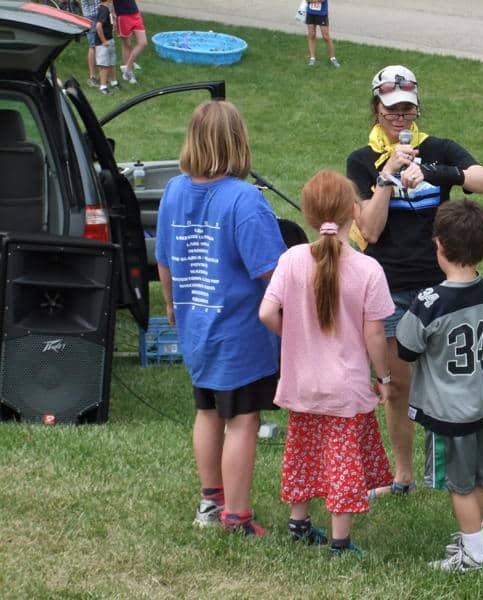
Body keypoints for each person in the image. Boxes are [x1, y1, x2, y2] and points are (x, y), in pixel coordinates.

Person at [346, 64, 483, 495]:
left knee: (452, 382)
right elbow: (371, 231)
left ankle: (458, 474)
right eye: (392, 110)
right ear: (376, 108)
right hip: (391, 286)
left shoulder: (440, 148)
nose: (400, 118)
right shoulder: (361, 161)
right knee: (398, 386)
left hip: (443, 285)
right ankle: (404, 473)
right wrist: (386, 178)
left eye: (408, 110)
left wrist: (436, 173)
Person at [155, 100, 286, 537]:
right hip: (239, 332)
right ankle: (238, 516)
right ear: (238, 143)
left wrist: (172, 306)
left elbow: (165, 260)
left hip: (196, 324)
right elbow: (273, 271)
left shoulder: (174, 190)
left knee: (207, 411)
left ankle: (211, 502)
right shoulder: (244, 199)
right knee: (243, 419)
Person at [259, 170, 394, 555]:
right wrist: (383, 375)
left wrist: (295, 337)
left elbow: (267, 313)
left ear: (307, 214)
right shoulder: (368, 269)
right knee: (343, 462)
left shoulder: (292, 259)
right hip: (345, 386)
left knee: (303, 450)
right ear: (354, 210)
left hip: (301, 381)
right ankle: (340, 540)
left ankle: (298, 523)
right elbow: (373, 335)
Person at [395, 200, 483, 572]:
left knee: (458, 485)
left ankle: (474, 555)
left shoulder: (430, 301)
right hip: (478, 404)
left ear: (438, 245)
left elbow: (406, 349)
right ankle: (474, 532)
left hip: (446, 410)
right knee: (474, 476)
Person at [112, 0, 146, 84]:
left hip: (135, 13)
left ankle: (128, 67)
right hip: (123, 15)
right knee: (127, 45)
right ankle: (128, 71)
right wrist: (113, 15)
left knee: (143, 43)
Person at [94, 0, 120, 95]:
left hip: (109, 40)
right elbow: (98, 26)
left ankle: (114, 82)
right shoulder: (103, 10)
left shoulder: (107, 9)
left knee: (112, 62)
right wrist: (103, 40)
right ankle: (103, 86)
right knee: (104, 66)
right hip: (103, 43)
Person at [305, 1, 339, 67]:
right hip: (310, 12)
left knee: (326, 36)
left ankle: (333, 58)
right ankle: (312, 58)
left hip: (322, 13)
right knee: (311, 34)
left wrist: (311, 1)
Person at [80, 0, 100, 87]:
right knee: (93, 46)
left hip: (100, 13)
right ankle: (92, 77)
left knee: (101, 45)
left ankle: (101, 74)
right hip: (92, 16)